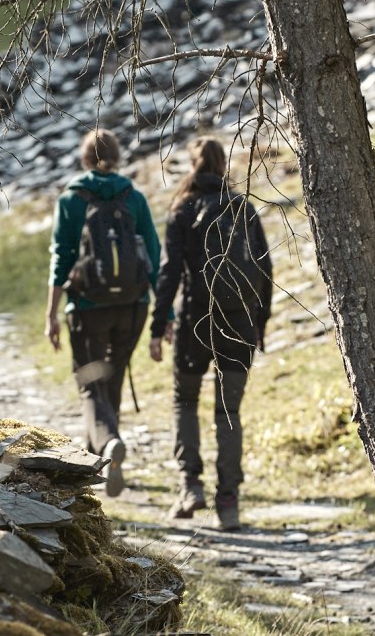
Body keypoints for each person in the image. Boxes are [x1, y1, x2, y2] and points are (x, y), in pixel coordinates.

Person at [147, 136, 273, 531]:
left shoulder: (182, 210)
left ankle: (191, 486)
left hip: (195, 321)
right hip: (238, 321)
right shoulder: (243, 208)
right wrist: (260, 324)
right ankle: (229, 502)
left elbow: (168, 273)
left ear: (193, 165)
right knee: (228, 412)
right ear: (223, 166)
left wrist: (157, 325)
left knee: (185, 400)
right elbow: (266, 272)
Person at [45, 128, 161, 498]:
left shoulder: (71, 199)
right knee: (111, 379)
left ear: (83, 158)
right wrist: (165, 314)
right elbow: (154, 256)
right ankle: (95, 460)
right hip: (133, 306)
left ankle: (109, 445)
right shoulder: (134, 197)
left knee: (90, 383)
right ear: (118, 156)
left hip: (87, 306)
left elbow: (62, 257)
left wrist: (52, 312)